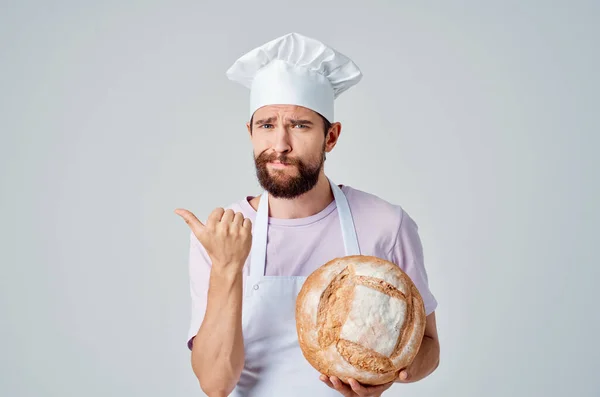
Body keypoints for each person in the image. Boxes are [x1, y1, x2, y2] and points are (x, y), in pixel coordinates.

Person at [175, 32, 440, 397]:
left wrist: (387, 377)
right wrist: (227, 268)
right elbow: (215, 384)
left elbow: (428, 347)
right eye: (266, 125)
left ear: (330, 137)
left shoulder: (386, 224)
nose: (280, 144)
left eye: (300, 125)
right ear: (250, 132)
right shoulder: (223, 235)